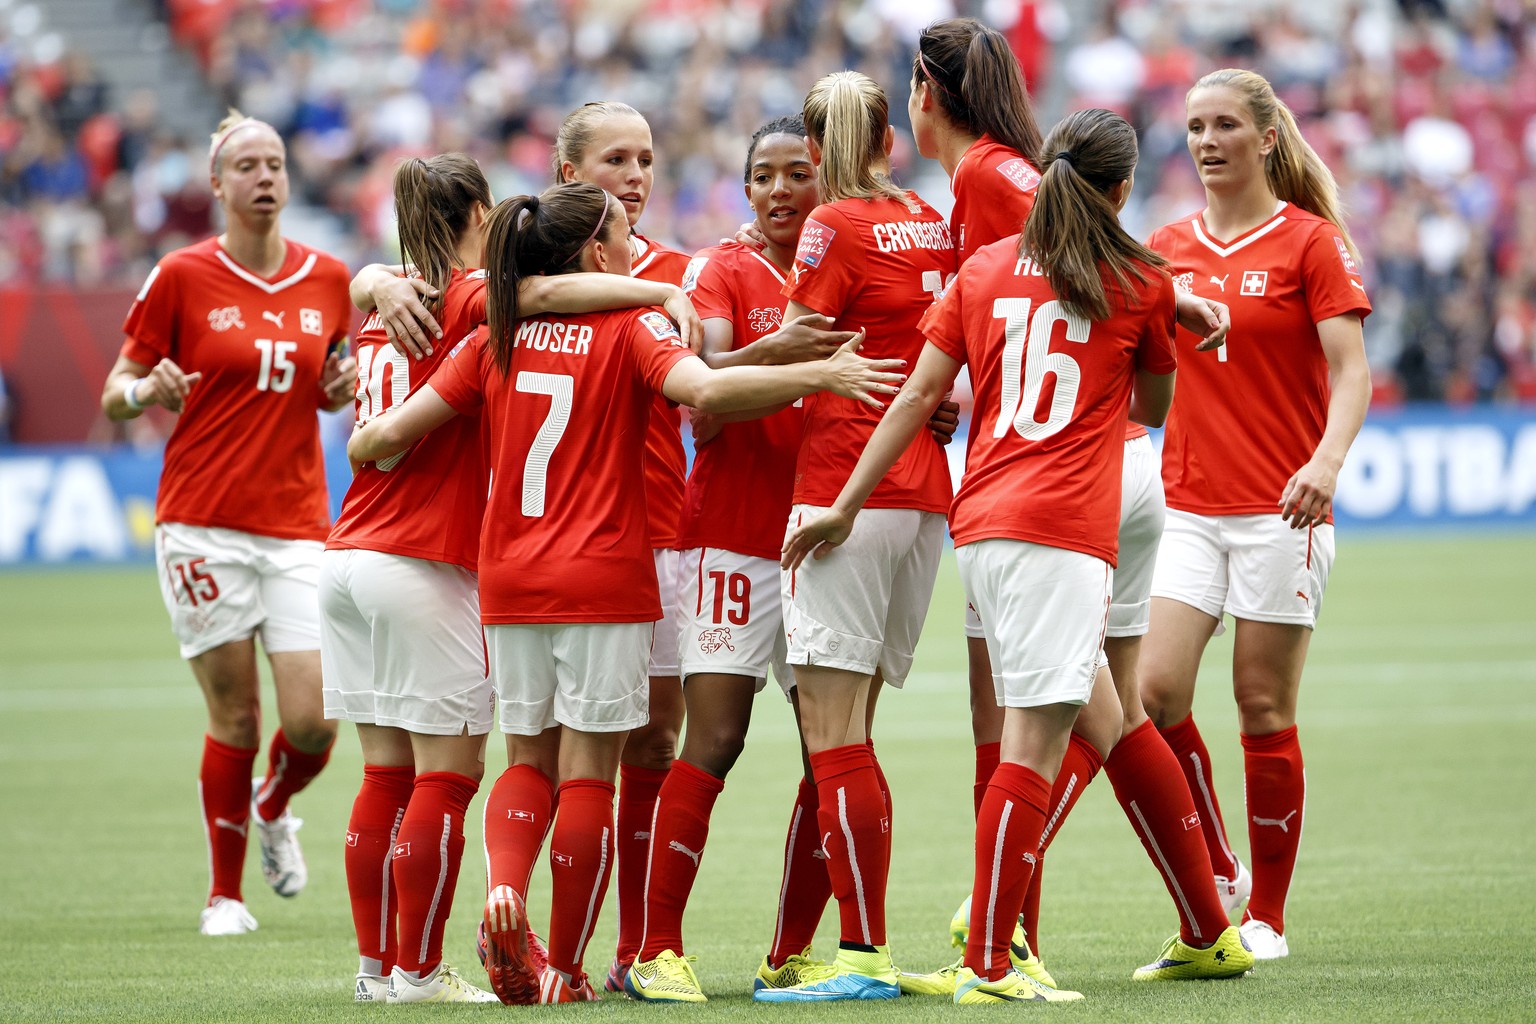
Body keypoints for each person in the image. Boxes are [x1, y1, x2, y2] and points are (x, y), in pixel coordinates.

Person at [345, 180, 905, 1004]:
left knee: (526, 761)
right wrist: (820, 372)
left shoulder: (494, 336)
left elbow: (383, 438)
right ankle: (566, 970)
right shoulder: (629, 327)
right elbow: (707, 393)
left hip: (508, 579)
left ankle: (505, 887)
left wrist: (363, 431)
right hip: (603, 576)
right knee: (587, 779)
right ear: (599, 254)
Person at [784, 107, 1191, 1004]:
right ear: (1122, 190)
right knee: (1035, 747)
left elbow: (917, 398)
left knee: (1027, 734)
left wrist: (845, 504)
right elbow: (1154, 407)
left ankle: (996, 956)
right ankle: (992, 967)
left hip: (980, 523)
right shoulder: (1139, 283)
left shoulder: (983, 269)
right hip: (1065, 532)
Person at [903, 18, 1239, 989]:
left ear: (929, 90)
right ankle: (1206, 918)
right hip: (1107, 465)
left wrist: (1168, 299)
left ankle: (1002, 941)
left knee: (1017, 716)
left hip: (1060, 473)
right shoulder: (1010, 174)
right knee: (1110, 713)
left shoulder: (994, 176)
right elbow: (1092, 261)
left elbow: (1067, 258)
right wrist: (1173, 301)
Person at [99, 110, 356, 936]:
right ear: (216, 185)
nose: (265, 177)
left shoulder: (328, 279)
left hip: (296, 524)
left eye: (275, 162)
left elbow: (324, 381)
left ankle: (275, 803)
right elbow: (116, 387)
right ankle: (226, 894)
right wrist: (147, 392)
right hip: (201, 521)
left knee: (315, 719)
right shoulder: (180, 274)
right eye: (246, 165)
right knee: (236, 714)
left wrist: (336, 389)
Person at [622, 116, 857, 1003]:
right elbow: (707, 398)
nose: (781, 190)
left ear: (826, 178)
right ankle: (657, 948)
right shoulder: (720, 269)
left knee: (826, 749)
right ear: (745, 187)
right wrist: (787, 355)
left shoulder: (853, 260)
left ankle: (789, 953)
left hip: (826, 538)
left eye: (799, 173)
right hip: (729, 536)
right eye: (764, 175)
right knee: (714, 737)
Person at [1140, 67, 1372, 961]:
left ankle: (1267, 915)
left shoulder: (1310, 243)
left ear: (1267, 138)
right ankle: (1223, 866)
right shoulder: (1166, 243)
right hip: (1187, 507)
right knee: (1156, 692)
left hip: (1285, 506)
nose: (1205, 141)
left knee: (1261, 702)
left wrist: (1326, 460)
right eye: (1195, 125)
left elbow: (1349, 372)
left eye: (1225, 125)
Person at [749, 70, 957, 1004]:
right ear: (887, 135)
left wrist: (705, 366)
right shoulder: (930, 215)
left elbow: (799, 343)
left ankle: (863, 954)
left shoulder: (835, 225)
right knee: (855, 731)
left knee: (831, 739)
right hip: (920, 493)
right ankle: (845, 947)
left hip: (844, 485)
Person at [321, 153, 499, 1004]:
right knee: (445, 779)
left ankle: (374, 971)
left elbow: (365, 284)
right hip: (421, 561)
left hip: (348, 555)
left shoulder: (384, 299)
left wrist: (367, 280)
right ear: (475, 209)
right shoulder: (465, 296)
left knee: (384, 775)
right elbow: (534, 302)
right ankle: (419, 973)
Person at [552, 103, 693, 988]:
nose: (636, 175)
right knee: (565, 753)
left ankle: (637, 948)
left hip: (667, 535)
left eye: (646, 157)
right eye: (615, 159)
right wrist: (376, 279)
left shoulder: (688, 269)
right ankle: (549, 944)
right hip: (570, 545)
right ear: (571, 176)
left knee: (653, 740)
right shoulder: (524, 273)